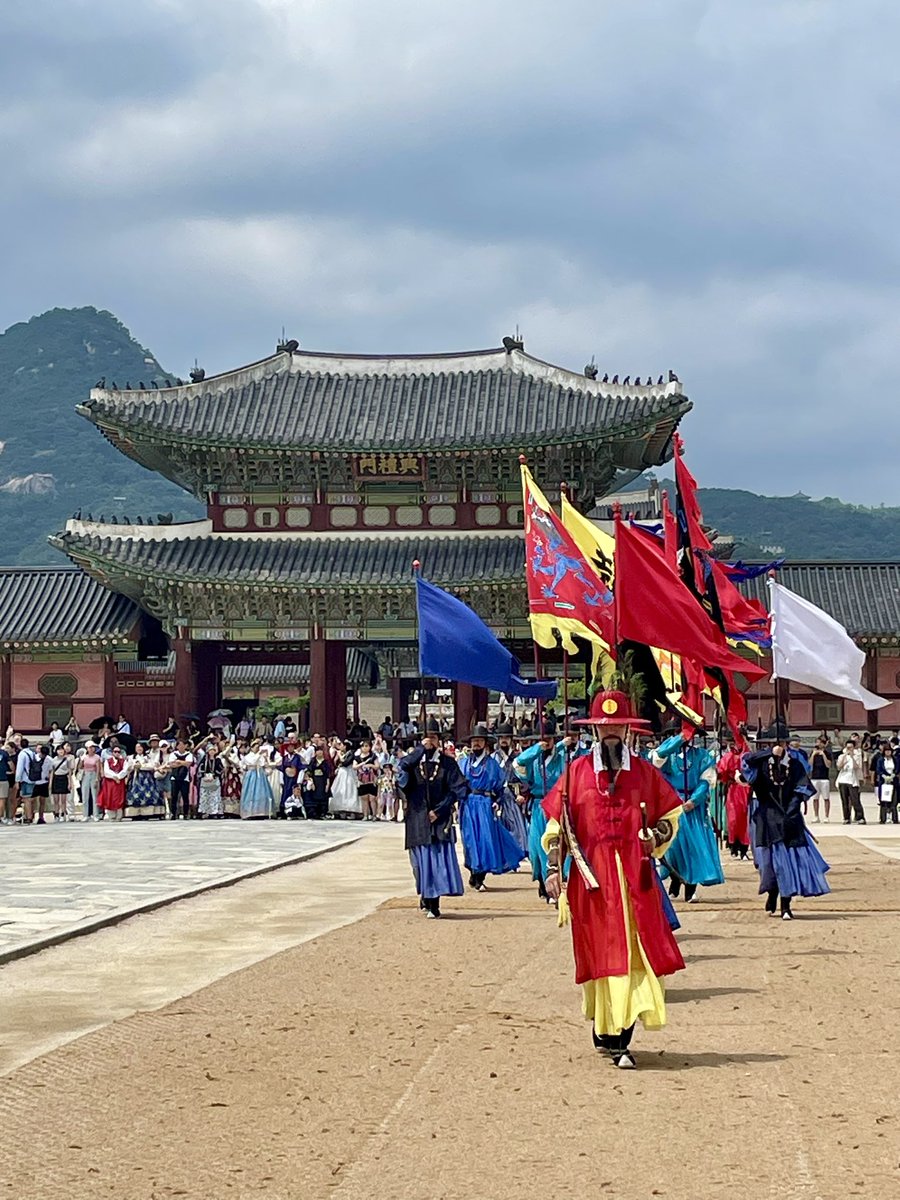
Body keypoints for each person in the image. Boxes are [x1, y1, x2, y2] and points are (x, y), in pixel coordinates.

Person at [542, 690, 686, 1069]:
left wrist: (655, 836)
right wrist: (554, 869)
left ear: (628, 731)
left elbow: (671, 816)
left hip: (636, 880)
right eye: (604, 728)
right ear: (594, 731)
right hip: (592, 883)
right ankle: (606, 1026)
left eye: (618, 727)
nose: (611, 734)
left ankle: (622, 1035)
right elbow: (557, 827)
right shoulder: (576, 774)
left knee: (635, 955)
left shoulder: (644, 773)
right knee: (602, 953)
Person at [742, 732, 831, 919]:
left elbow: (801, 788)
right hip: (767, 817)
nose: (779, 746)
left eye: (782, 742)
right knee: (767, 864)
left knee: (786, 863)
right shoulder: (761, 764)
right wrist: (769, 753)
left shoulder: (795, 764)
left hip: (789, 818)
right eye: (774, 743)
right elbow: (746, 762)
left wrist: (791, 810)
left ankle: (786, 904)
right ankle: (772, 892)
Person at [398, 726, 467, 918]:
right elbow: (402, 779)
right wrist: (419, 751)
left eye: (434, 737)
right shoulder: (412, 764)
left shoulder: (447, 763)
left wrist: (440, 810)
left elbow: (458, 790)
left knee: (435, 863)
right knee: (418, 865)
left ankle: (433, 902)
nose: (430, 741)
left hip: (439, 819)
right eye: (426, 738)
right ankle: (425, 894)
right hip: (417, 818)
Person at [652, 725, 724, 902]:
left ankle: (691, 887)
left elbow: (705, 781)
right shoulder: (668, 756)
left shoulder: (702, 756)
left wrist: (694, 800)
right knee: (673, 847)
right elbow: (657, 757)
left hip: (692, 806)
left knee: (693, 847)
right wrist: (678, 740)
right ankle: (676, 878)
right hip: (672, 805)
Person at [458, 724, 525, 890]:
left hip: (485, 803)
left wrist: (497, 800)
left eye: (480, 741)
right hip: (468, 804)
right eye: (474, 741)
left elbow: (500, 787)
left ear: (485, 743)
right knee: (469, 840)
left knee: (485, 840)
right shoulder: (464, 763)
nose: (476, 744)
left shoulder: (492, 764)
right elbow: (456, 784)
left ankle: (479, 876)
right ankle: (473, 871)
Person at [514, 722, 570, 899]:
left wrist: (559, 747)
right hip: (539, 807)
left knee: (556, 844)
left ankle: (559, 883)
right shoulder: (533, 760)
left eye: (549, 739)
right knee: (536, 848)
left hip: (557, 806)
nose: (546, 742)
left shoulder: (562, 758)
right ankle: (543, 882)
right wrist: (536, 749)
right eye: (542, 740)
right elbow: (518, 764)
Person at [492, 722, 528, 852]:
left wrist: (522, 794)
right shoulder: (493, 758)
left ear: (511, 740)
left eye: (507, 737)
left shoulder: (518, 758)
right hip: (498, 797)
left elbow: (525, 778)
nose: (504, 740)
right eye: (501, 738)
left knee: (517, 831)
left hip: (514, 798)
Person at [717, 739, 750, 859]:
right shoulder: (728, 756)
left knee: (745, 818)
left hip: (746, 789)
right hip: (733, 790)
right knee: (733, 819)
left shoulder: (747, 754)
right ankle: (733, 845)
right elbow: (721, 773)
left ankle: (744, 847)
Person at [126, 741, 167, 819]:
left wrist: (141, 766)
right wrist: (134, 766)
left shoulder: (148, 757)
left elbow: (152, 766)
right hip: (135, 778)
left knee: (148, 795)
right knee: (134, 795)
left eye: (140, 747)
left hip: (147, 779)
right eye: (137, 747)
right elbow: (127, 767)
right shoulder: (131, 757)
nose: (139, 749)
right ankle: (135, 814)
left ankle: (148, 813)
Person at [237, 739, 275, 819]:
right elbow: (252, 762)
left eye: (258, 748)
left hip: (260, 775)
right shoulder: (248, 756)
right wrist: (259, 754)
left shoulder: (260, 756)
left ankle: (262, 812)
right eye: (256, 747)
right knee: (251, 792)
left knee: (262, 792)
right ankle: (250, 812)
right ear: (251, 748)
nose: (257, 749)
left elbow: (264, 764)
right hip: (251, 775)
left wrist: (266, 758)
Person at [835, 739, 866, 825]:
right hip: (842, 780)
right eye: (848, 747)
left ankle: (860, 817)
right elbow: (839, 767)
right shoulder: (841, 756)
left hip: (852, 780)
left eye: (851, 747)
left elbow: (856, 767)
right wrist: (845, 756)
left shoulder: (857, 756)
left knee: (855, 799)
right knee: (845, 800)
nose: (849, 749)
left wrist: (852, 757)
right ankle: (846, 818)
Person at [330, 742, 362, 819]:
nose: (339, 747)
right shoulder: (343, 753)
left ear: (345, 746)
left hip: (349, 773)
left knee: (349, 789)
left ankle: (351, 810)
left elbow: (345, 763)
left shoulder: (351, 753)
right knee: (340, 789)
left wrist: (340, 756)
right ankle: (340, 809)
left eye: (341, 745)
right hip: (342, 773)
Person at [871, 740, 899, 824]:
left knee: (894, 800)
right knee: (883, 800)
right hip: (883, 782)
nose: (888, 752)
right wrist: (884, 776)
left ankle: (894, 818)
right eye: (886, 751)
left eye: (889, 751)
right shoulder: (880, 760)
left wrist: (893, 775)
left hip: (893, 781)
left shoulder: (895, 759)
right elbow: (878, 769)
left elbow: (897, 768)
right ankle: (883, 818)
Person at [98, 745, 128, 821]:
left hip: (119, 782)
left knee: (119, 798)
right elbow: (106, 771)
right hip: (110, 782)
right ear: (112, 753)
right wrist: (114, 776)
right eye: (115, 752)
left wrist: (118, 777)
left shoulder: (123, 761)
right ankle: (111, 816)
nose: (117, 753)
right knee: (110, 798)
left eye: (118, 752)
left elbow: (125, 770)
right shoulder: (108, 761)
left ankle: (119, 816)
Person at [808, 738, 833, 823]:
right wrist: (813, 755)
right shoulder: (813, 752)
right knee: (815, 798)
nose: (818, 744)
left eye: (820, 743)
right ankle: (816, 816)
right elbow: (810, 764)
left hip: (824, 778)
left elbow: (828, 765)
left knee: (826, 798)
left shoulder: (827, 753)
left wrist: (823, 755)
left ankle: (826, 816)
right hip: (814, 778)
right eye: (817, 742)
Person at [196, 742, 225, 818]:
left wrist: (214, 775)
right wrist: (204, 775)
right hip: (205, 779)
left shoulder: (217, 760)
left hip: (214, 779)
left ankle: (214, 812)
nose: (211, 752)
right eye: (210, 750)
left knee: (214, 796)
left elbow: (221, 769)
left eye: (213, 750)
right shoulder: (204, 760)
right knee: (205, 796)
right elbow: (200, 768)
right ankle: (204, 811)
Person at [303, 744, 332, 818]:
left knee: (323, 796)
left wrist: (328, 784)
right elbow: (309, 771)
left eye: (321, 751)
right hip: (315, 780)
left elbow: (328, 774)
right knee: (314, 796)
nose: (319, 752)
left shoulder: (326, 762)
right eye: (318, 751)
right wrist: (311, 781)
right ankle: (314, 813)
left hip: (323, 780)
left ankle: (323, 812)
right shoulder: (313, 761)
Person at [355, 741, 380, 820]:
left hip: (372, 779)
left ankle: (374, 815)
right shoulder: (357, 757)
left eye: (366, 746)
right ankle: (365, 815)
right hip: (362, 780)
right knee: (364, 798)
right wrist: (361, 764)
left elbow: (377, 766)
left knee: (372, 798)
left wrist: (371, 765)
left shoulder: (373, 756)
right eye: (363, 746)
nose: (364, 748)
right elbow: (354, 767)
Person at [49, 743, 74, 821]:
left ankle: (63, 814)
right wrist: (50, 782)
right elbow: (52, 772)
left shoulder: (67, 760)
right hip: (56, 778)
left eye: (62, 750)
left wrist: (70, 782)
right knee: (56, 799)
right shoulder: (53, 760)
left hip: (64, 778)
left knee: (63, 799)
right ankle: (56, 814)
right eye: (59, 750)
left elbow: (69, 772)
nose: (60, 751)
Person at [79, 740, 102, 821]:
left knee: (95, 795)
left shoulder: (97, 757)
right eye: (90, 747)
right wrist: (81, 759)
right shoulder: (84, 757)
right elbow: (80, 767)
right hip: (85, 775)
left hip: (94, 774)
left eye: (93, 747)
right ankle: (85, 815)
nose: (91, 749)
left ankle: (96, 814)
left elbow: (98, 768)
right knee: (85, 796)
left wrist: (97, 778)